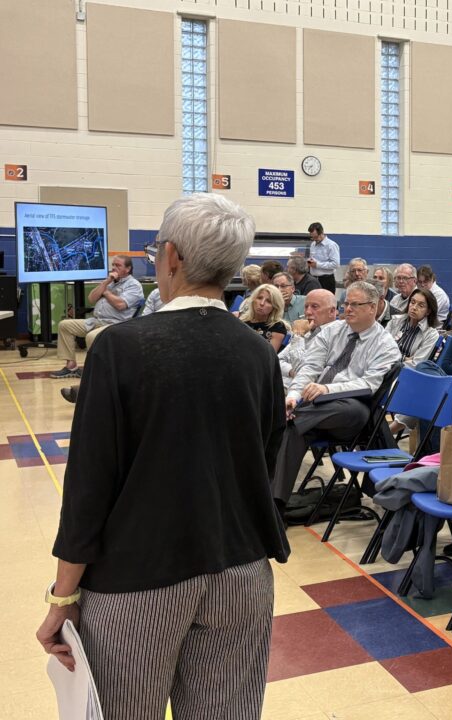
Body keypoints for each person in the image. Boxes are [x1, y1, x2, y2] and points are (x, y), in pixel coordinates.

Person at [36, 193, 289, 719]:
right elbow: (263, 464)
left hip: (138, 579)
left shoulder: (119, 348)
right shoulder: (258, 353)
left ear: (171, 256)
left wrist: (63, 596)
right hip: (242, 572)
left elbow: (89, 487)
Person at [272, 281, 402, 504]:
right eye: (346, 303)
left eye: (355, 304)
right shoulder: (332, 331)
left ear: (372, 307)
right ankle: (274, 505)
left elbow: (368, 385)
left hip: (351, 413)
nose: (347, 309)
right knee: (292, 430)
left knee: (347, 408)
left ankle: (286, 416)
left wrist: (326, 389)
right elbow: (310, 368)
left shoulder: (385, 344)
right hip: (315, 411)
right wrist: (293, 396)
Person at [50, 255, 144, 379]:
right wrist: (106, 283)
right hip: (97, 321)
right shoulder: (110, 282)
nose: (114, 268)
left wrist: (105, 292)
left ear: (128, 269)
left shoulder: (134, 285)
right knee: (65, 325)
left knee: (91, 336)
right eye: (113, 265)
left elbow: (120, 305)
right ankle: (71, 367)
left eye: (118, 265)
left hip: (116, 324)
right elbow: (91, 298)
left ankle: (96, 373)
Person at [278, 289, 339, 383]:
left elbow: (303, 371)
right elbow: (277, 360)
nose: (308, 312)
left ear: (331, 311)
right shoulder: (307, 330)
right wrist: (291, 371)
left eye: (315, 307)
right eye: (306, 307)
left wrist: (298, 335)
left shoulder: (336, 336)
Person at [388, 288, 441, 365]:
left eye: (421, 305)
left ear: (428, 311)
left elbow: (415, 363)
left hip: (402, 370)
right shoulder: (395, 320)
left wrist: (391, 357)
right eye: (412, 302)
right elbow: (381, 348)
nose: (414, 307)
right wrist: (404, 358)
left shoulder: (431, 335)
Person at [239, 284, 288, 352]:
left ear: (275, 306)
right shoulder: (242, 321)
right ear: (253, 300)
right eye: (259, 298)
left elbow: (270, 355)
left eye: (268, 301)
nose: (262, 303)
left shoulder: (278, 327)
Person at [307, 222, 340, 292]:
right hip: (313, 279)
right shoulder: (313, 244)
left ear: (322, 233)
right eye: (312, 237)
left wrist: (317, 265)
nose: (314, 239)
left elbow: (336, 264)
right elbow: (313, 259)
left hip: (326, 280)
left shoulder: (331, 245)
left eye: (316, 237)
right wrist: (309, 262)